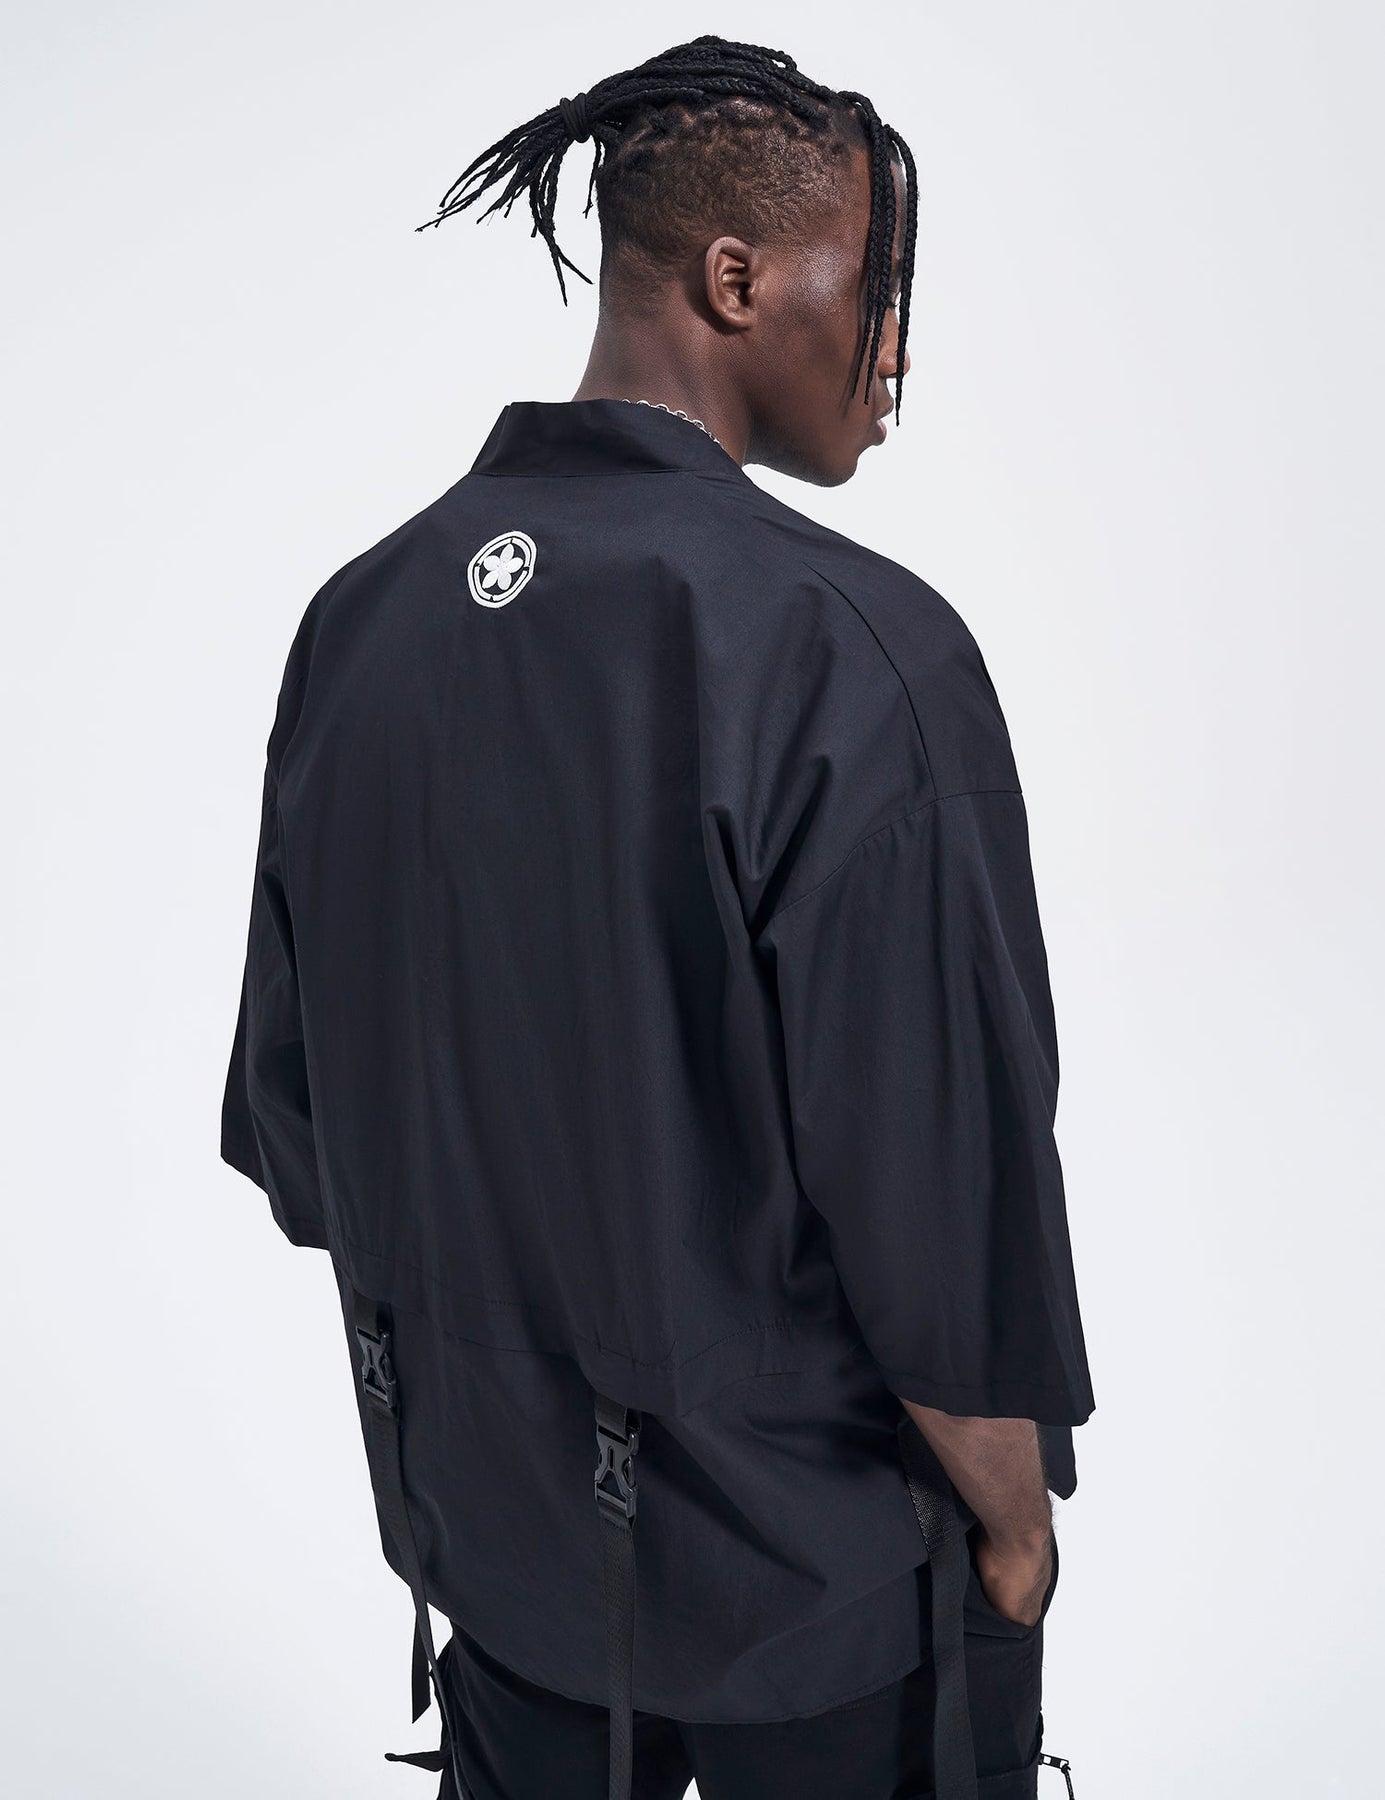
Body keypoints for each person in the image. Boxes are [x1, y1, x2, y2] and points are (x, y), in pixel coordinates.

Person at [220, 33, 1094, 1800]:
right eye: (881, 288)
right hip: (820, 1619)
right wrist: (1015, 1539)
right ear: (735, 279)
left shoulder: (360, 626)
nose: (895, 351)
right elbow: (944, 1232)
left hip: (501, 1579)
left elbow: (301, 1133)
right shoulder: (853, 652)